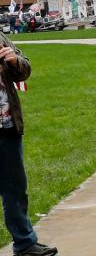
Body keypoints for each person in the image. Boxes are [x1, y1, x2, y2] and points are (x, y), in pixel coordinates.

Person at [0, 30, 56, 256]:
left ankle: (25, 244)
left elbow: (24, 70)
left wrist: (15, 61)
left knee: (15, 189)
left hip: (7, 126)